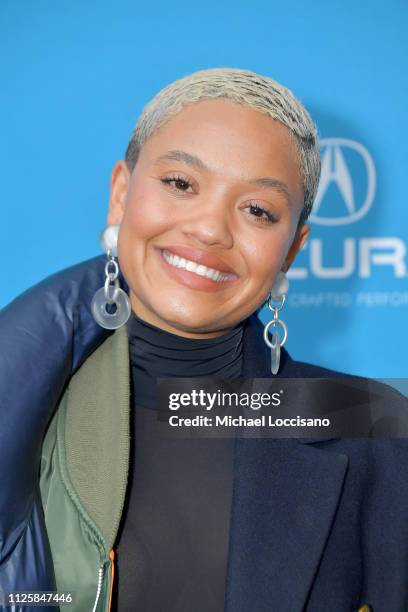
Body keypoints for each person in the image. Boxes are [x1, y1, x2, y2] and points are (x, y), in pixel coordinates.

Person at [0, 67, 407, 612]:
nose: (211, 229)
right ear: (121, 194)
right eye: (180, 183)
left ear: (291, 250)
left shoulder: (370, 426)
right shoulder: (26, 410)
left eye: (258, 210)